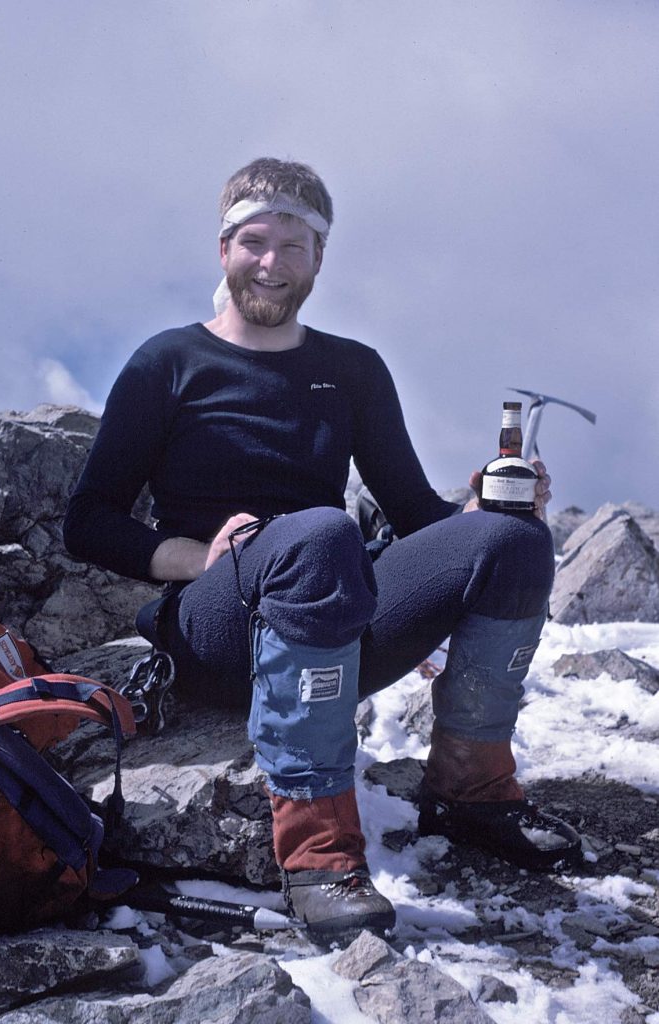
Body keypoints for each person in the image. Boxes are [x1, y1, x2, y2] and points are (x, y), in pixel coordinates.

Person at [64, 157, 582, 939]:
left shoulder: (351, 370)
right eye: (254, 242)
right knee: (320, 530)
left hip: (329, 620)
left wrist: (485, 508)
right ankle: (319, 856)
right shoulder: (167, 364)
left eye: (293, 246)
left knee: (512, 538)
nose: (271, 264)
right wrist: (192, 558)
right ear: (224, 249)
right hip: (219, 629)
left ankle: (471, 789)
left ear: (318, 259)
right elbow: (89, 518)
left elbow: (413, 513)